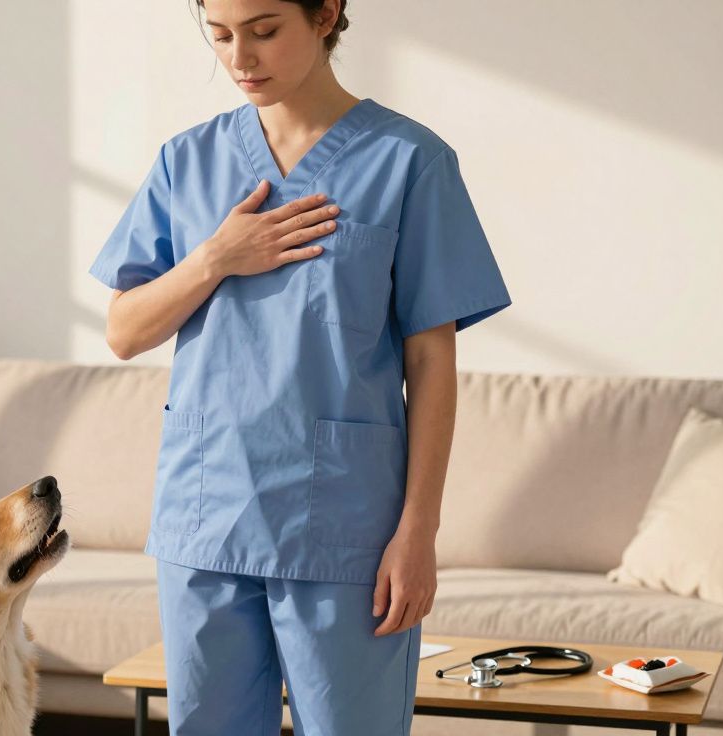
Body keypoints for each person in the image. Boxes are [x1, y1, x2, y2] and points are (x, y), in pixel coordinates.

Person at [86, 0, 513, 734]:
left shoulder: (410, 162)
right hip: (205, 512)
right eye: (219, 35)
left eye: (264, 29)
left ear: (326, 13)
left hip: (345, 526)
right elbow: (125, 331)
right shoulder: (186, 162)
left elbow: (431, 362)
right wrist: (216, 258)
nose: (240, 57)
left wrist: (419, 532)